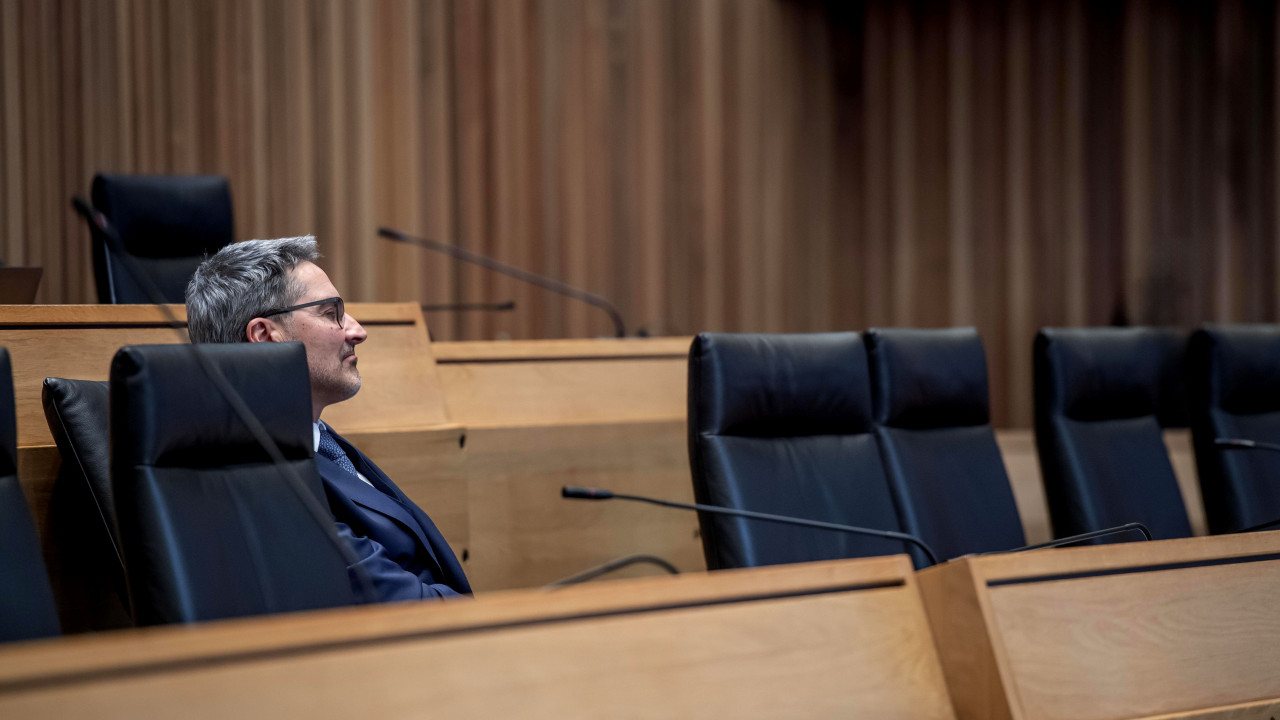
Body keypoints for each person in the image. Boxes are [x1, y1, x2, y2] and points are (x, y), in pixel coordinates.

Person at [185, 236, 470, 601]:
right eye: (330, 313)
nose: (357, 331)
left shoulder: (316, 439)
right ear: (265, 335)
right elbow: (386, 598)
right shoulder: (259, 471)